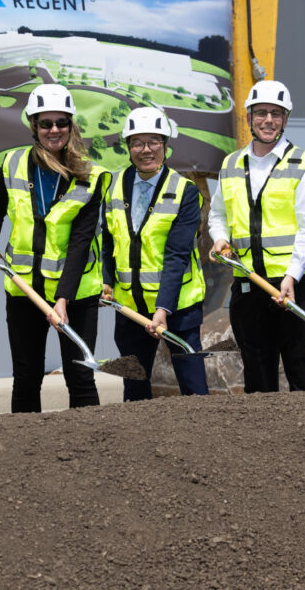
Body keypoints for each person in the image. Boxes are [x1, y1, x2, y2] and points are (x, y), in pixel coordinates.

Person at [0, 83, 109, 412]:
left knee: (80, 377)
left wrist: (63, 299)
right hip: (24, 290)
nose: (54, 130)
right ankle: (25, 455)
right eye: (46, 123)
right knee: (26, 375)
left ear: (71, 125)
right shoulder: (13, 163)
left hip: (76, 296)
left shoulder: (90, 176)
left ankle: (93, 449)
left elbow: (80, 243)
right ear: (33, 126)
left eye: (61, 122)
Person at [208, 79, 305, 393]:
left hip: (299, 286)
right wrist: (220, 238)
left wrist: (292, 275)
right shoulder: (231, 164)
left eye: (276, 114)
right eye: (261, 113)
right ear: (248, 118)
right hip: (250, 286)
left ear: (285, 120)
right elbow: (218, 215)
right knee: (258, 381)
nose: (268, 120)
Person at [102, 107, 209, 400]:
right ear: (128, 147)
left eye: (153, 142)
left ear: (165, 145)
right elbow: (108, 242)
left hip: (178, 309)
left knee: (193, 388)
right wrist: (106, 280)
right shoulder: (112, 187)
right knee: (135, 390)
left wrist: (163, 309)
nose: (145, 149)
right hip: (130, 309)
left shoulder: (184, 191)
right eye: (137, 142)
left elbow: (177, 255)